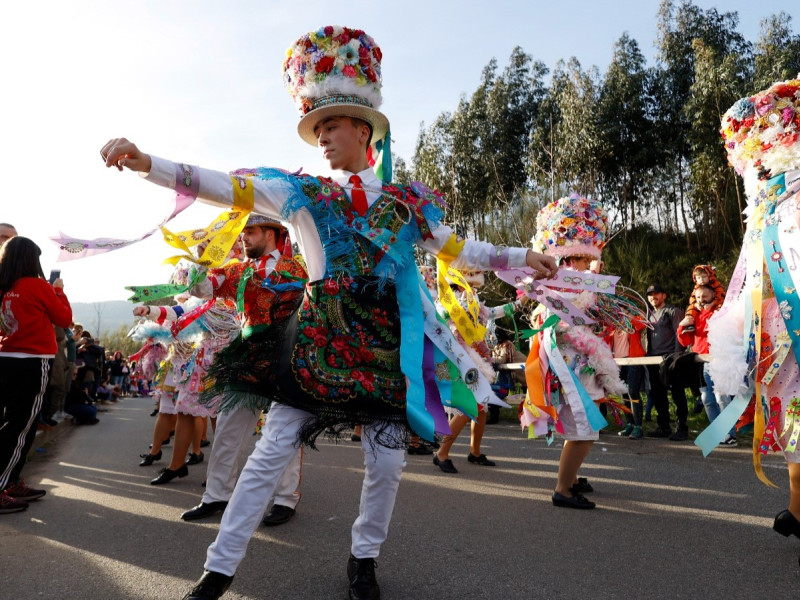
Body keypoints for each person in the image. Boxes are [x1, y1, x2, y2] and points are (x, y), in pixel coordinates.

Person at [101, 24, 556, 600]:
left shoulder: (406, 202)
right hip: (316, 339)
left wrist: (523, 256)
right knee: (269, 453)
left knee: (387, 465)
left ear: (363, 129)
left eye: (331, 125)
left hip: (386, 342)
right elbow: (221, 185)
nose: (320, 137)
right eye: (316, 128)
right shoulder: (300, 194)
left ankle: (363, 559)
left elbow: (458, 249)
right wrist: (148, 163)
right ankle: (218, 570)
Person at [707, 78, 800, 541]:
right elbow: (751, 281)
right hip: (780, 335)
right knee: (792, 421)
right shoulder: (765, 218)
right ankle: (797, 509)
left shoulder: (789, 208)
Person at [179, 213, 307, 527]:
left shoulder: (299, 269)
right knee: (226, 428)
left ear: (272, 233)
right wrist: (202, 259)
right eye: (242, 232)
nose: (243, 238)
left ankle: (285, 499)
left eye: (250, 231)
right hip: (248, 357)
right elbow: (201, 287)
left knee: (284, 434)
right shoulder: (238, 271)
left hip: (288, 359)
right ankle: (216, 495)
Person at [522, 194, 628, 510]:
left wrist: (593, 282)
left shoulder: (574, 285)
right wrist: (593, 281)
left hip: (581, 366)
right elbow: (570, 315)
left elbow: (588, 313)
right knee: (584, 429)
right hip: (571, 368)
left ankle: (571, 479)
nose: (587, 264)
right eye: (582, 259)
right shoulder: (552, 288)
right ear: (569, 260)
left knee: (584, 427)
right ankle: (563, 489)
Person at [0, 237, 72, 514]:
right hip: (32, 361)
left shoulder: (4, 286)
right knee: (21, 426)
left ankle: (13, 480)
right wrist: (59, 292)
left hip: (6, 358)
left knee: (17, 423)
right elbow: (64, 319)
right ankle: (3, 483)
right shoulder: (38, 286)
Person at [677, 285, 735, 446]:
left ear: (713, 295)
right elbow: (685, 341)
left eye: (704, 296)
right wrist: (682, 326)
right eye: (697, 297)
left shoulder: (721, 312)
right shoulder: (694, 314)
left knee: (722, 398)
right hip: (699, 362)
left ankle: (730, 435)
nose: (701, 300)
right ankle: (717, 433)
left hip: (718, 360)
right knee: (707, 400)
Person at [644, 283, 689, 440]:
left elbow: (680, 335)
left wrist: (677, 356)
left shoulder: (673, 311)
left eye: (656, 293)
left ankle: (682, 428)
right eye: (650, 294)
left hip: (670, 359)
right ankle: (663, 427)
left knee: (677, 393)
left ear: (664, 295)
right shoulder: (648, 315)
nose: (653, 297)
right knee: (657, 394)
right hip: (653, 359)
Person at [606, 318, 648, 440]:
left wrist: (629, 316)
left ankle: (638, 426)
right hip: (618, 363)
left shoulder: (633, 323)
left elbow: (641, 324)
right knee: (623, 393)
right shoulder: (612, 326)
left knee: (633, 392)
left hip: (633, 360)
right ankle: (630, 424)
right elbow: (605, 340)